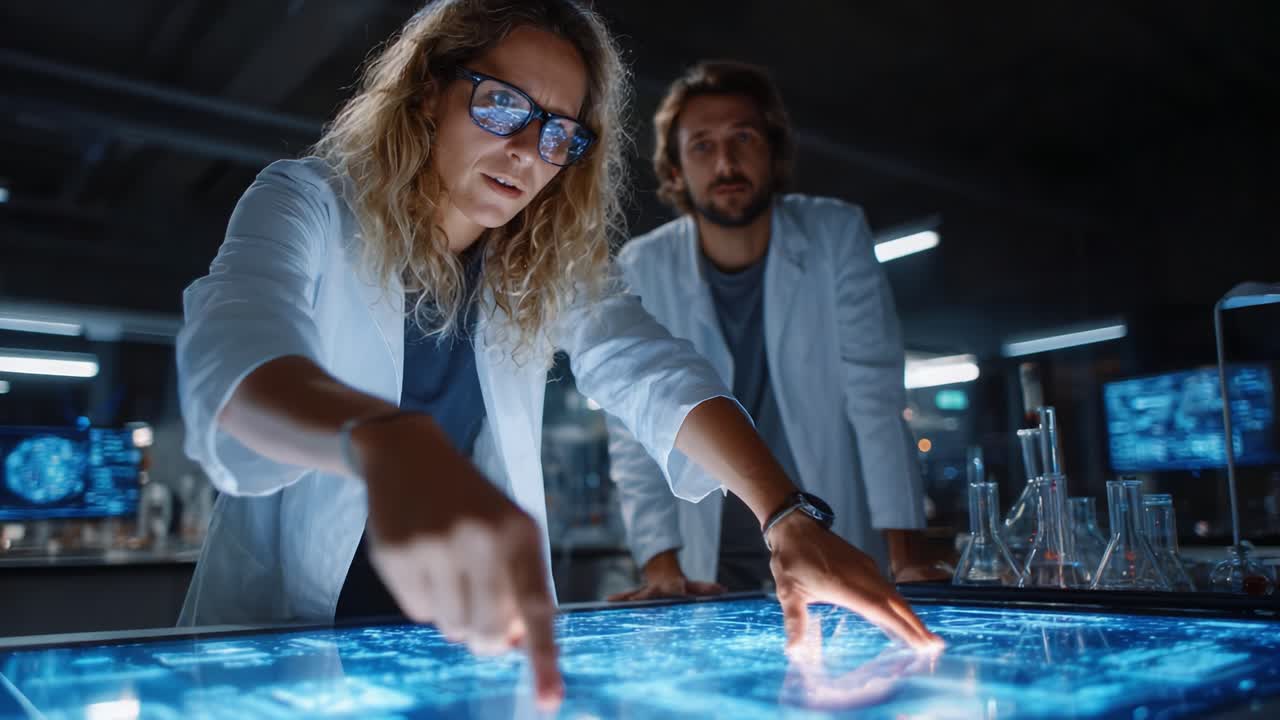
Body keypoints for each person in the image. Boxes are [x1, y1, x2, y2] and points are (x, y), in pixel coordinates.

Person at [175, 2, 940, 709]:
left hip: (464, 654)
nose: (526, 152)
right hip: (284, 647)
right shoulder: (306, 201)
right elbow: (236, 358)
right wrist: (381, 441)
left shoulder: (544, 263)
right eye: (502, 103)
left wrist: (786, 517)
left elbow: (653, 373)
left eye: (555, 132)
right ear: (428, 90)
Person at [608, 60, 950, 603]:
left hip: (828, 544)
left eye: (744, 137)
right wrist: (661, 565)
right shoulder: (642, 265)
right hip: (708, 564)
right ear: (675, 169)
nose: (726, 162)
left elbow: (876, 400)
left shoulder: (835, 234)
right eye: (702, 145)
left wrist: (906, 558)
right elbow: (635, 434)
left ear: (774, 148)